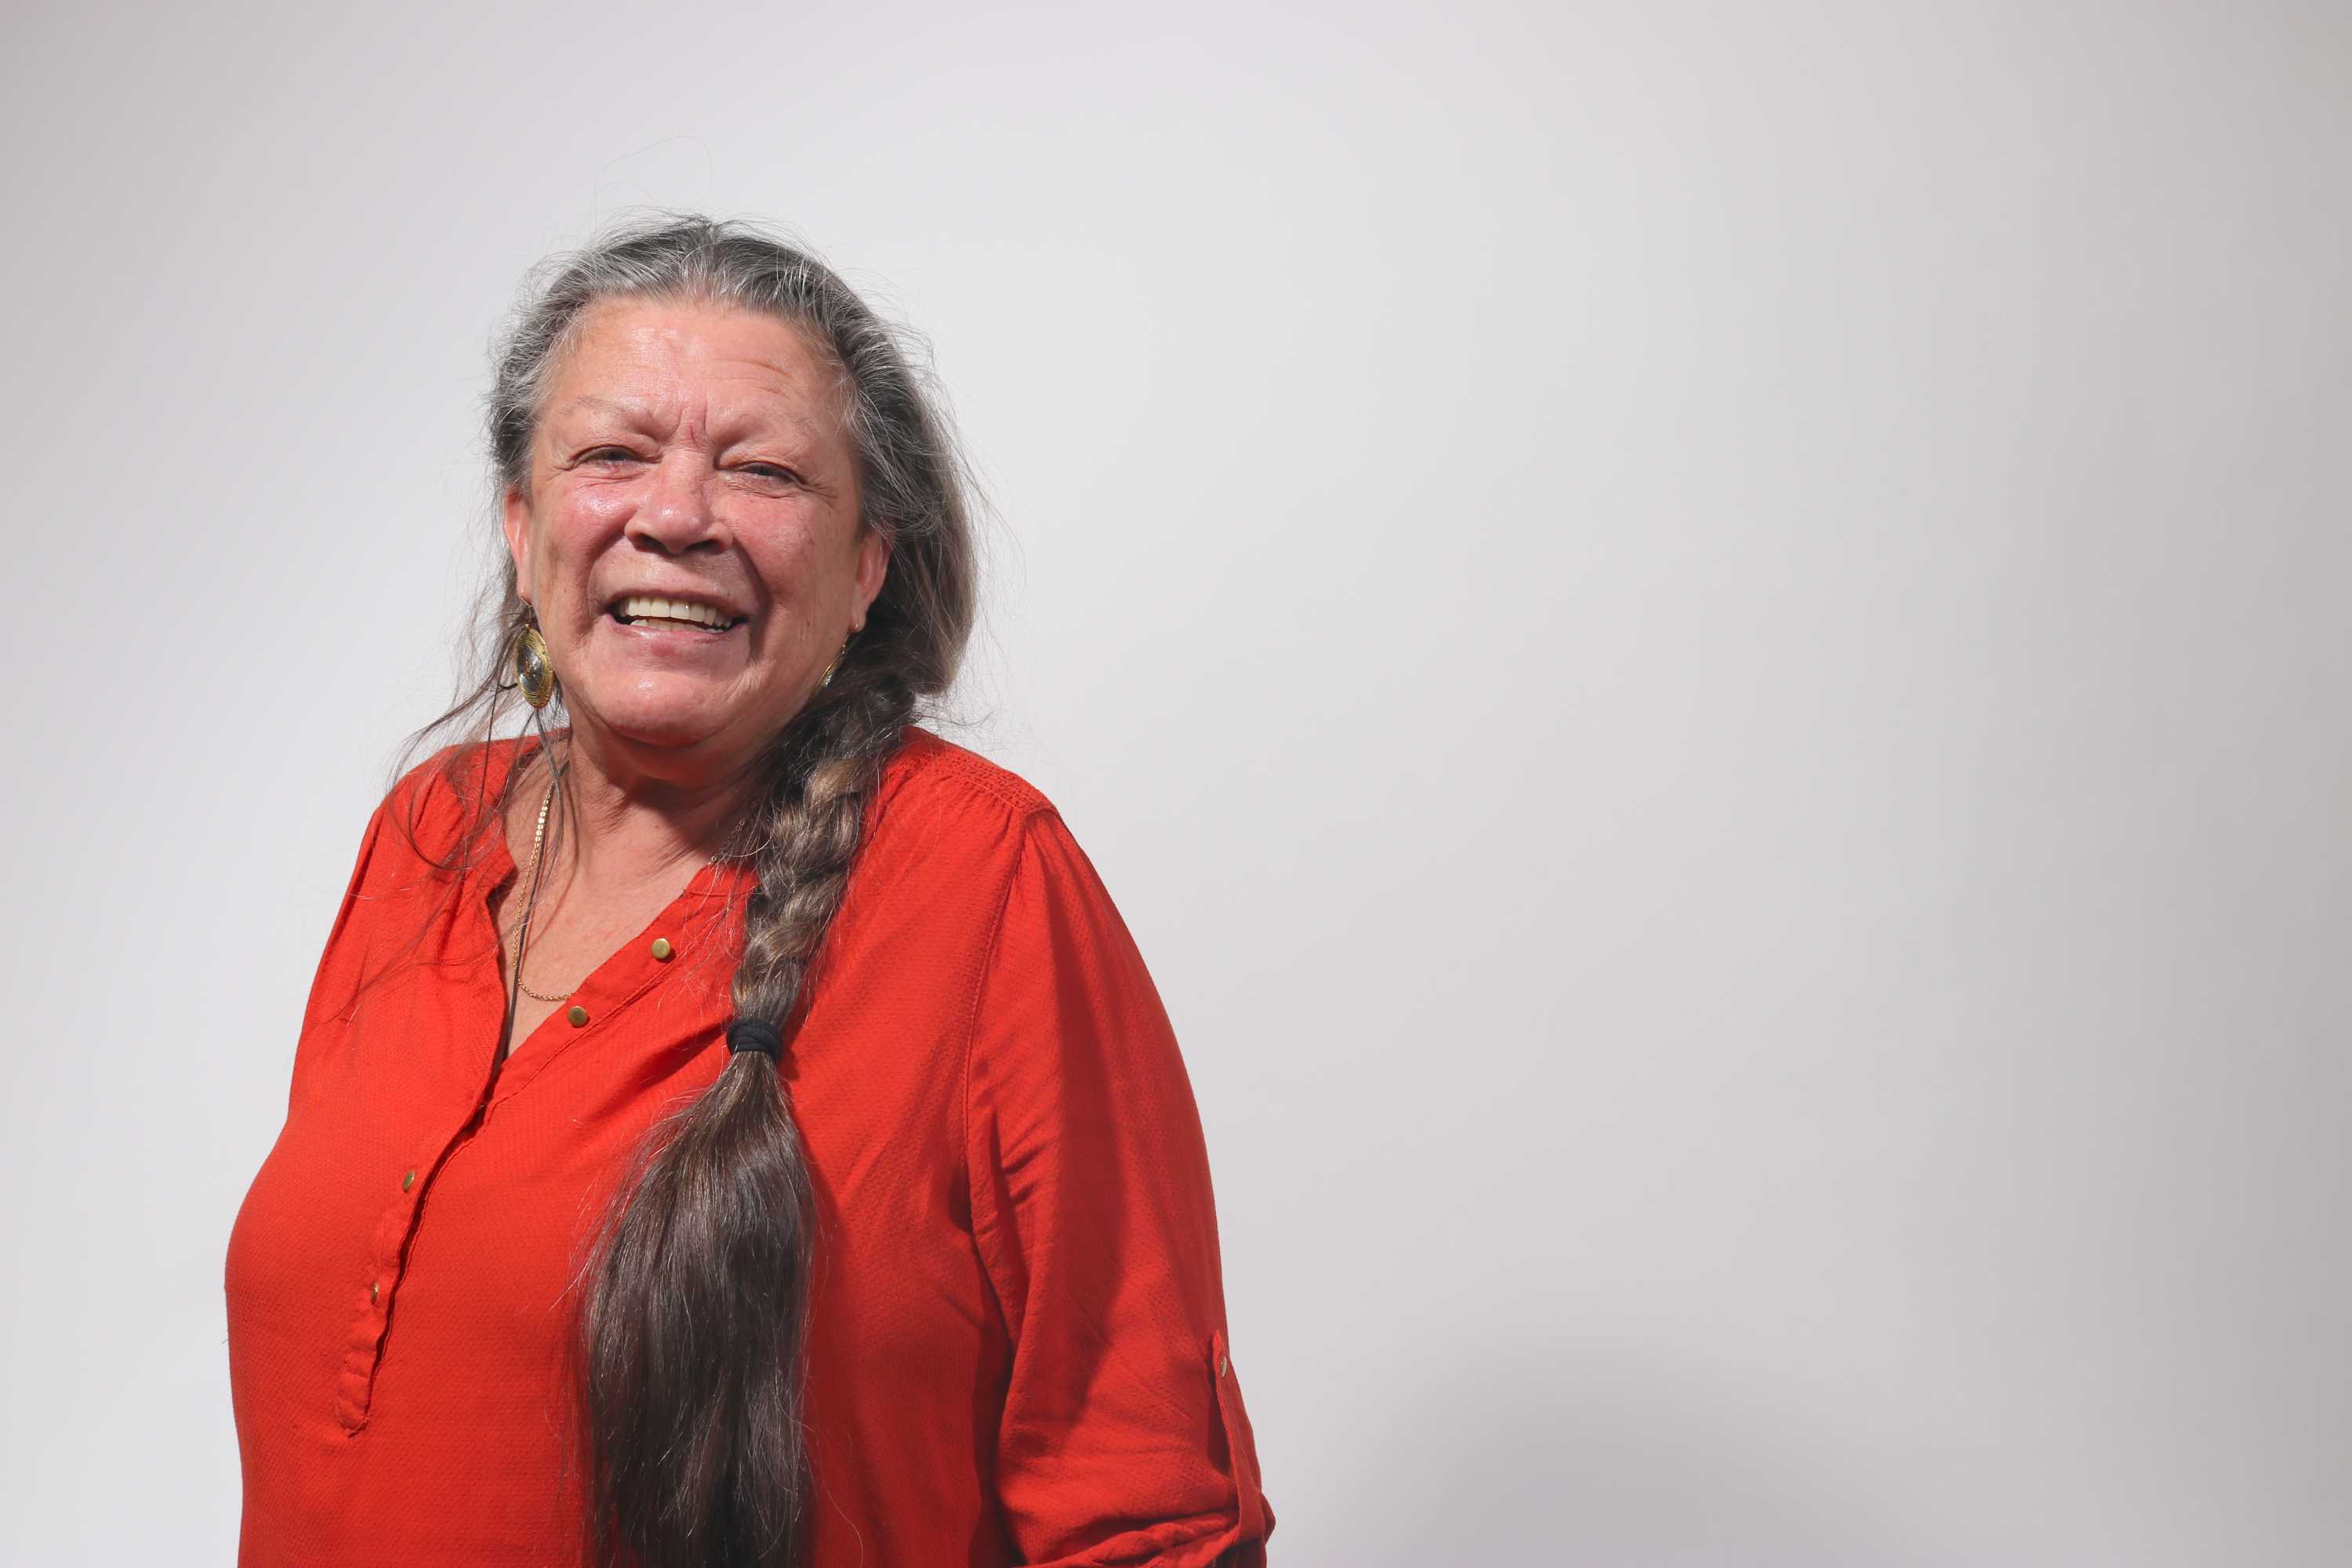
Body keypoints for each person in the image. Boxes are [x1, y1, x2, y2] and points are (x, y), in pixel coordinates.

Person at [223, 213, 1272, 1568]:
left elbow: (1149, 1517)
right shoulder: (426, 835)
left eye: (764, 471)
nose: (674, 517)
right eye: (611, 455)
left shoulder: (988, 885)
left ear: (866, 571)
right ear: (524, 524)